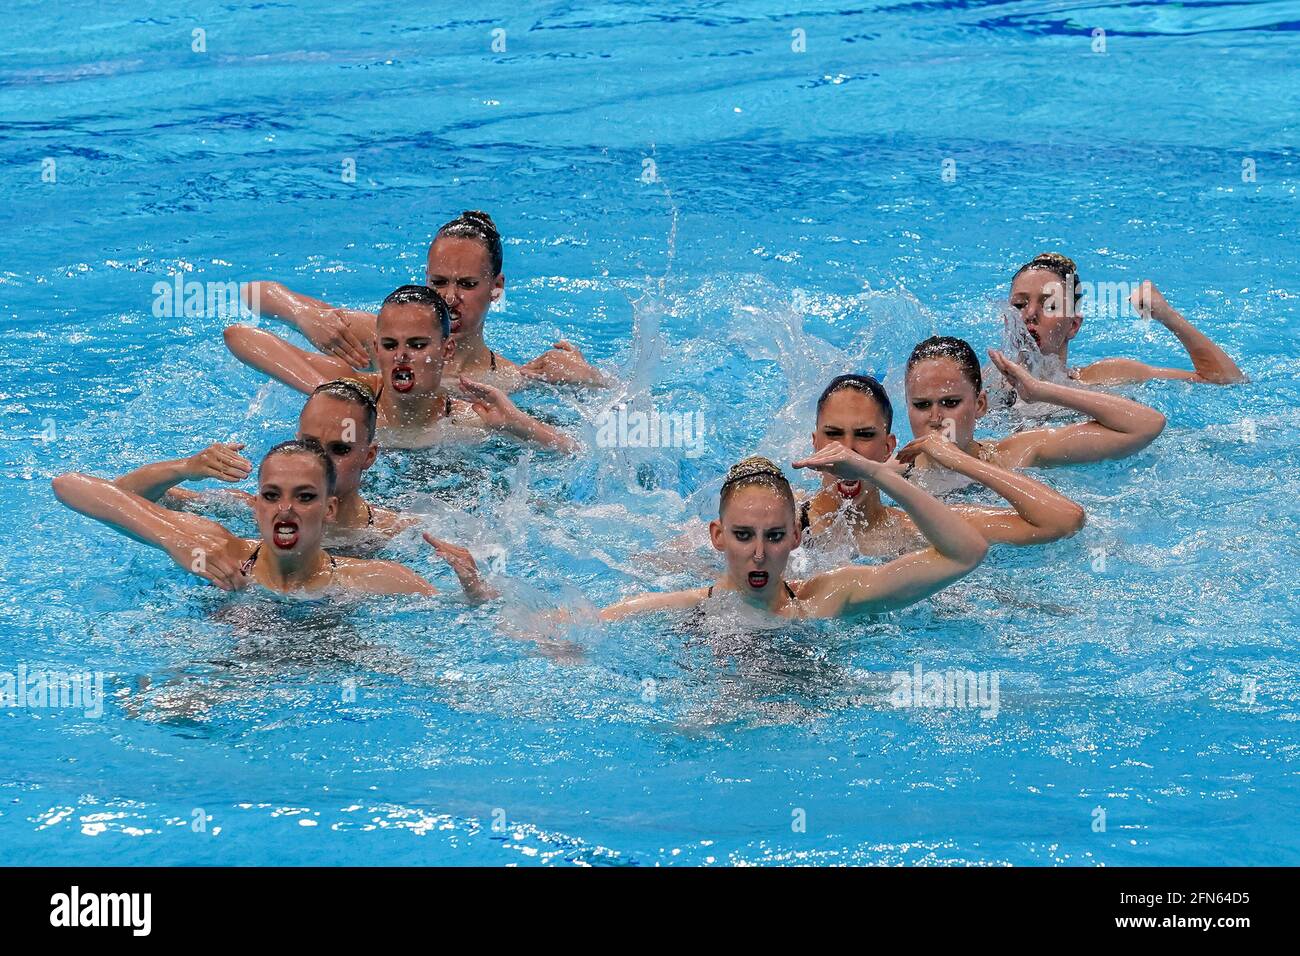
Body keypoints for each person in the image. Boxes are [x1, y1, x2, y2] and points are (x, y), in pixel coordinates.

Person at [52, 439, 492, 600]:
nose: (285, 510)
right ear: (257, 506)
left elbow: (461, 614)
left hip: (330, 667)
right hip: (233, 664)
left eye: (304, 497)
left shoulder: (374, 578)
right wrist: (173, 539)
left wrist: (475, 594)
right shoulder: (220, 549)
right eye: (271, 496)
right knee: (160, 706)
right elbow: (70, 486)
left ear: (329, 509)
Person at [239, 210, 607, 390]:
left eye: (466, 284)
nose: (449, 298)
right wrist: (304, 314)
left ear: (496, 288)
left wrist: (591, 378)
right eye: (439, 282)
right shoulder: (379, 338)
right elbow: (251, 294)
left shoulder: (511, 380)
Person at [599, 456, 988, 621]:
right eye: (742, 535)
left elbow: (965, 553)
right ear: (717, 536)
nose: (758, 553)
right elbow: (574, 625)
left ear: (797, 537)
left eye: (774, 536)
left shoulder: (828, 597)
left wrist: (875, 473)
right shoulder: (683, 610)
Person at [224, 284, 578, 451]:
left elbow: (573, 453)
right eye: (391, 346)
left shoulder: (471, 418)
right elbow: (239, 335)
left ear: (446, 349)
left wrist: (520, 425)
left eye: (418, 346)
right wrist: (323, 392)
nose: (402, 356)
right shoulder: (353, 392)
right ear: (377, 349)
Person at [796, 374, 1087, 557]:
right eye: (833, 434)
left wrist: (959, 460)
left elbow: (1064, 520)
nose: (848, 451)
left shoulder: (920, 527)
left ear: (888, 448)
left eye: (865, 435)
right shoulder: (785, 521)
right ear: (815, 443)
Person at [111, 379, 418, 547]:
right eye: (309, 445)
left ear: (369, 456)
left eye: (339, 449)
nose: (320, 460)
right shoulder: (255, 511)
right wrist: (184, 469)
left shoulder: (396, 532)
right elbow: (119, 498)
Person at [902, 336, 1167, 473]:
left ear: (980, 405)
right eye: (922, 405)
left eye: (950, 402)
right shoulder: (891, 474)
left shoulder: (1015, 455)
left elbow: (1146, 425)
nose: (936, 418)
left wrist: (1041, 391)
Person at [1007, 252, 1245, 385]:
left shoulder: (1102, 378)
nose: (1029, 314)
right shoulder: (985, 386)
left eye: (1050, 305)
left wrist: (1167, 316)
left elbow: (1227, 380)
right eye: (1019, 304)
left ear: (1074, 326)